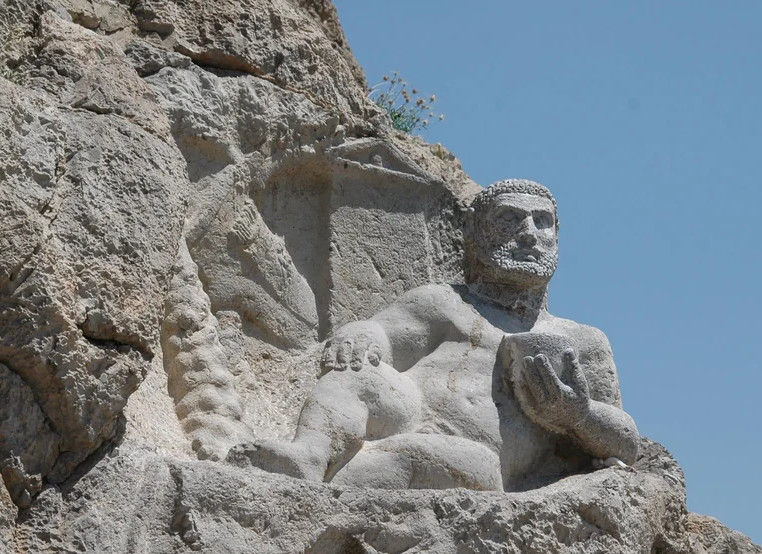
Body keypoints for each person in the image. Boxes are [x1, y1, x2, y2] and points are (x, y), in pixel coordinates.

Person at [227, 179, 639, 491]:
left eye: (543, 221)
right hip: (407, 413)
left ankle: (320, 490)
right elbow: (385, 333)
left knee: (416, 455)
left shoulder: (582, 340)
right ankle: (308, 457)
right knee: (357, 378)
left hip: (478, 458)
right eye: (509, 219)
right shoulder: (443, 302)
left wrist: (578, 416)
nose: (529, 233)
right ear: (474, 236)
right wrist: (361, 336)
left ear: (557, 235)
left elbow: (625, 444)